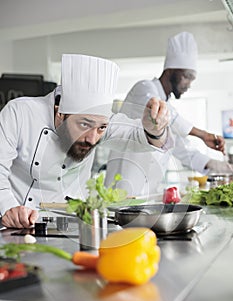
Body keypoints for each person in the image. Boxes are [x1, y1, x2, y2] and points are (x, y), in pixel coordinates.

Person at [0, 54, 172, 229]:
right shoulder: (20, 113)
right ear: (60, 113)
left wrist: (155, 130)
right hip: (14, 227)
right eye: (84, 124)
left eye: (101, 128)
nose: (92, 139)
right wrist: (8, 207)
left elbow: (139, 136)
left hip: (71, 227)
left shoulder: (98, 125)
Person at [105, 32, 233, 197]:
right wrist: (202, 134)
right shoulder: (143, 88)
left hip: (146, 192)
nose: (188, 85)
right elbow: (164, 113)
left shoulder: (168, 114)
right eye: (187, 77)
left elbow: (182, 148)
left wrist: (218, 166)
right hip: (121, 188)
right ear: (171, 71)